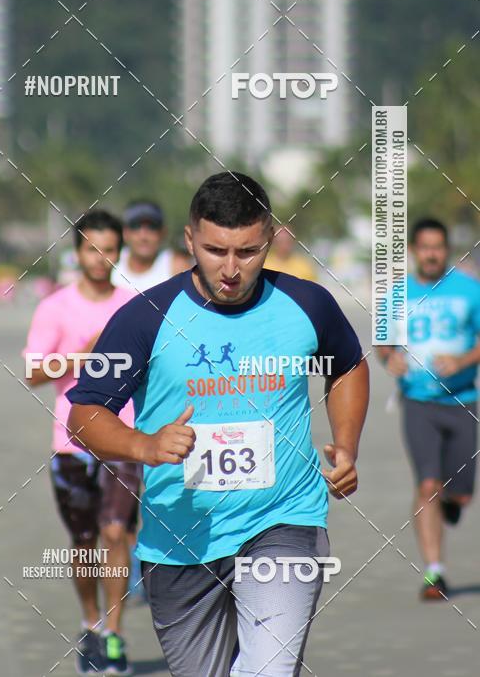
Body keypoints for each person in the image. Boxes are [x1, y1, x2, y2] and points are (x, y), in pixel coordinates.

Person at [67, 172, 369, 677]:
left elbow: (348, 366)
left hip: (283, 520)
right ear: (189, 241)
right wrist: (144, 445)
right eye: (215, 250)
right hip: (178, 540)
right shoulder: (144, 318)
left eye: (248, 252)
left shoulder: (308, 304)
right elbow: (84, 414)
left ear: (269, 241)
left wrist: (347, 445)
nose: (231, 269)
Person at [24, 210, 137, 675]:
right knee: (85, 541)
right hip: (71, 442)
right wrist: (80, 358)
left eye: (109, 249)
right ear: (77, 253)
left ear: (119, 253)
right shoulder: (55, 307)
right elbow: (32, 371)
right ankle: (89, 624)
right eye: (92, 249)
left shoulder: (135, 305)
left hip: (125, 438)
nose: (100, 258)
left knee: (115, 532)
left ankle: (113, 634)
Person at [377, 218, 480, 601]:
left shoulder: (470, 292)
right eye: (425, 246)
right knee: (427, 485)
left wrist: (465, 359)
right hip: (418, 403)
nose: (432, 253)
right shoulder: (395, 296)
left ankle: (455, 502)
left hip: (463, 400)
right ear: (414, 250)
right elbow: (382, 346)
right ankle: (434, 573)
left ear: (447, 249)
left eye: (439, 246)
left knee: (461, 494)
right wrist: (390, 360)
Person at [112, 201, 177, 292]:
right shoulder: (111, 260)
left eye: (152, 227)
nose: (143, 236)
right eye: (135, 226)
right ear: (125, 232)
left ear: (163, 233)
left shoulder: (175, 267)